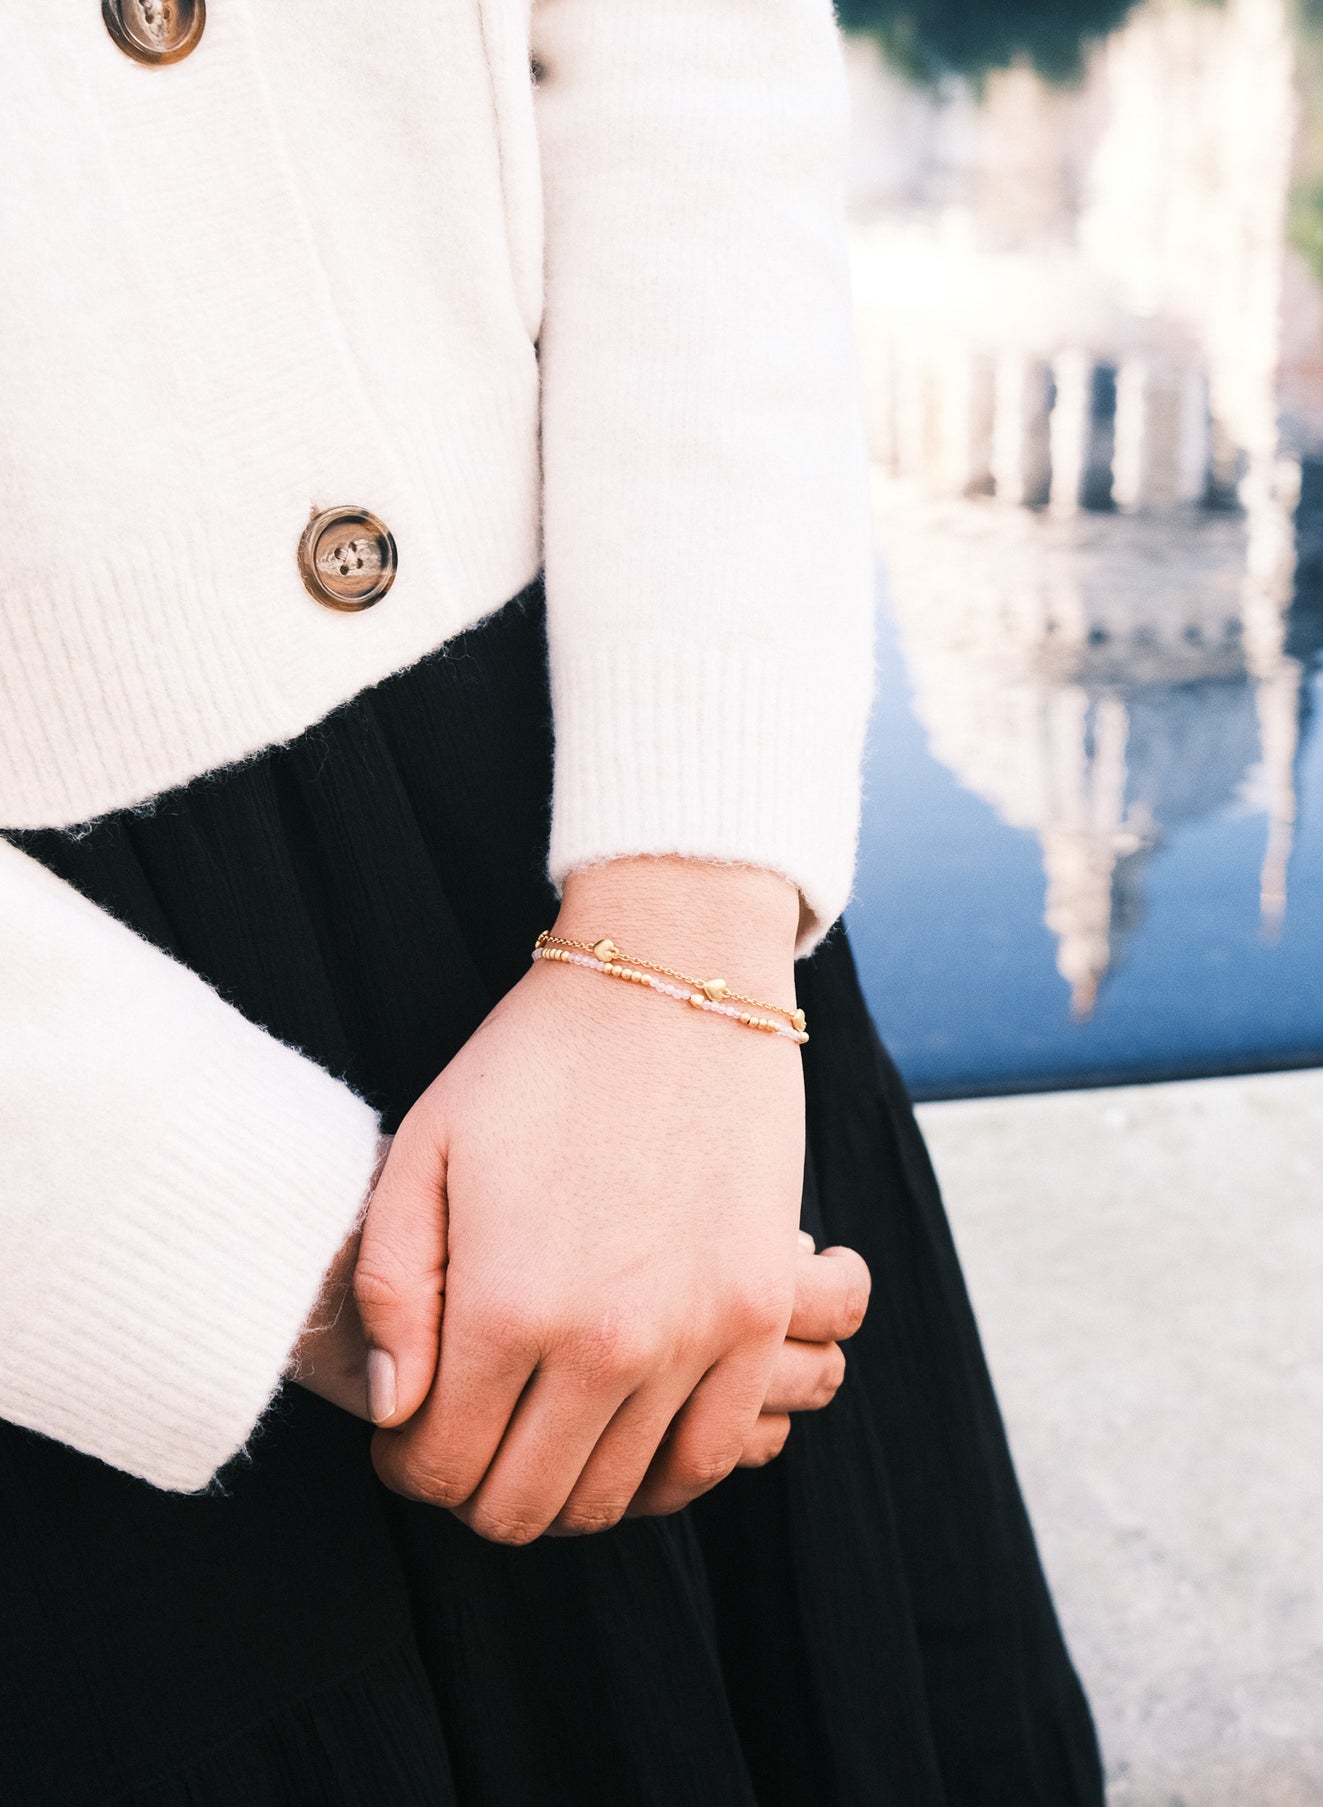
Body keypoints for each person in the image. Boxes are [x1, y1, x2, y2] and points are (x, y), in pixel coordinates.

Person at [0, 3, 1104, 1802]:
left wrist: (688, 915)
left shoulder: (672, 928)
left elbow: (685, 58)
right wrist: (242, 1238)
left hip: (618, 900)